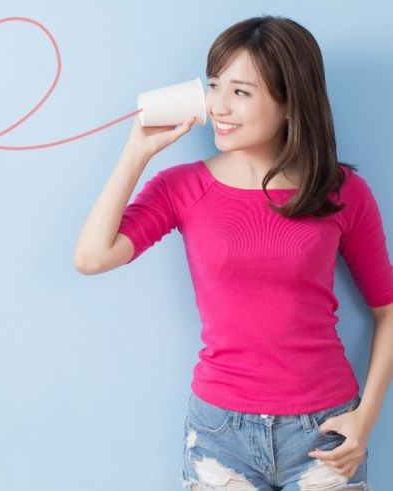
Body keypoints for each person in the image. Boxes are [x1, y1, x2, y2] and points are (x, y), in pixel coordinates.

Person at [74, 16, 393, 491]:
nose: (218, 105)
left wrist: (365, 419)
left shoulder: (342, 191)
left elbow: (388, 310)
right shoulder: (183, 187)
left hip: (324, 430)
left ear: (290, 104)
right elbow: (92, 257)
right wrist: (137, 152)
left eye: (241, 92)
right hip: (221, 435)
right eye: (214, 85)